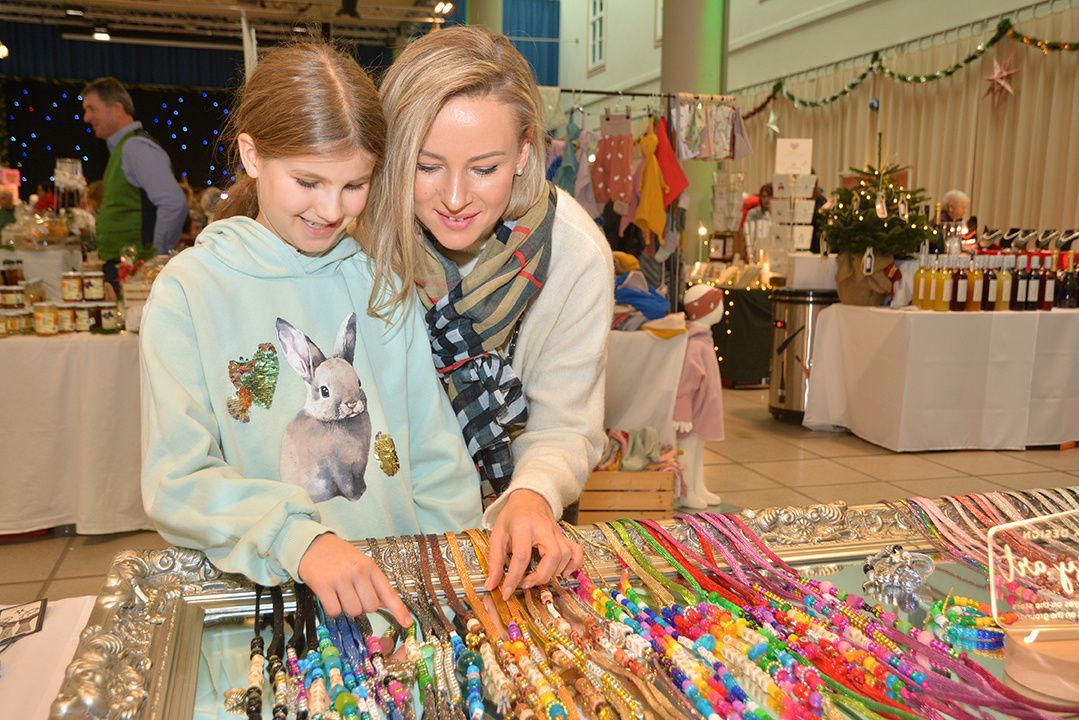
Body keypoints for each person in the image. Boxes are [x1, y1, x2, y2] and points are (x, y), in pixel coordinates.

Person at [139, 42, 483, 625]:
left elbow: (433, 453)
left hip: (398, 600)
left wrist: (457, 577)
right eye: (308, 181)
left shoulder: (378, 283)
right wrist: (299, 539)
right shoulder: (189, 292)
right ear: (251, 154)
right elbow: (179, 479)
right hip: (270, 605)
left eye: (355, 185)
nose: (331, 209)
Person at [365, 26, 612, 600]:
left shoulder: (573, 254)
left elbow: (565, 424)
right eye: (426, 167)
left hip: (514, 535)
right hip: (380, 534)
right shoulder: (364, 237)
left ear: (525, 150)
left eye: (484, 169)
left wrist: (533, 494)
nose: (454, 198)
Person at [81, 77, 187, 287]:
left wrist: (155, 258)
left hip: (136, 268)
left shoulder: (135, 147)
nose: (86, 118)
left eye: (92, 109)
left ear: (117, 109)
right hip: (127, 265)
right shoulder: (124, 148)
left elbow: (173, 203)